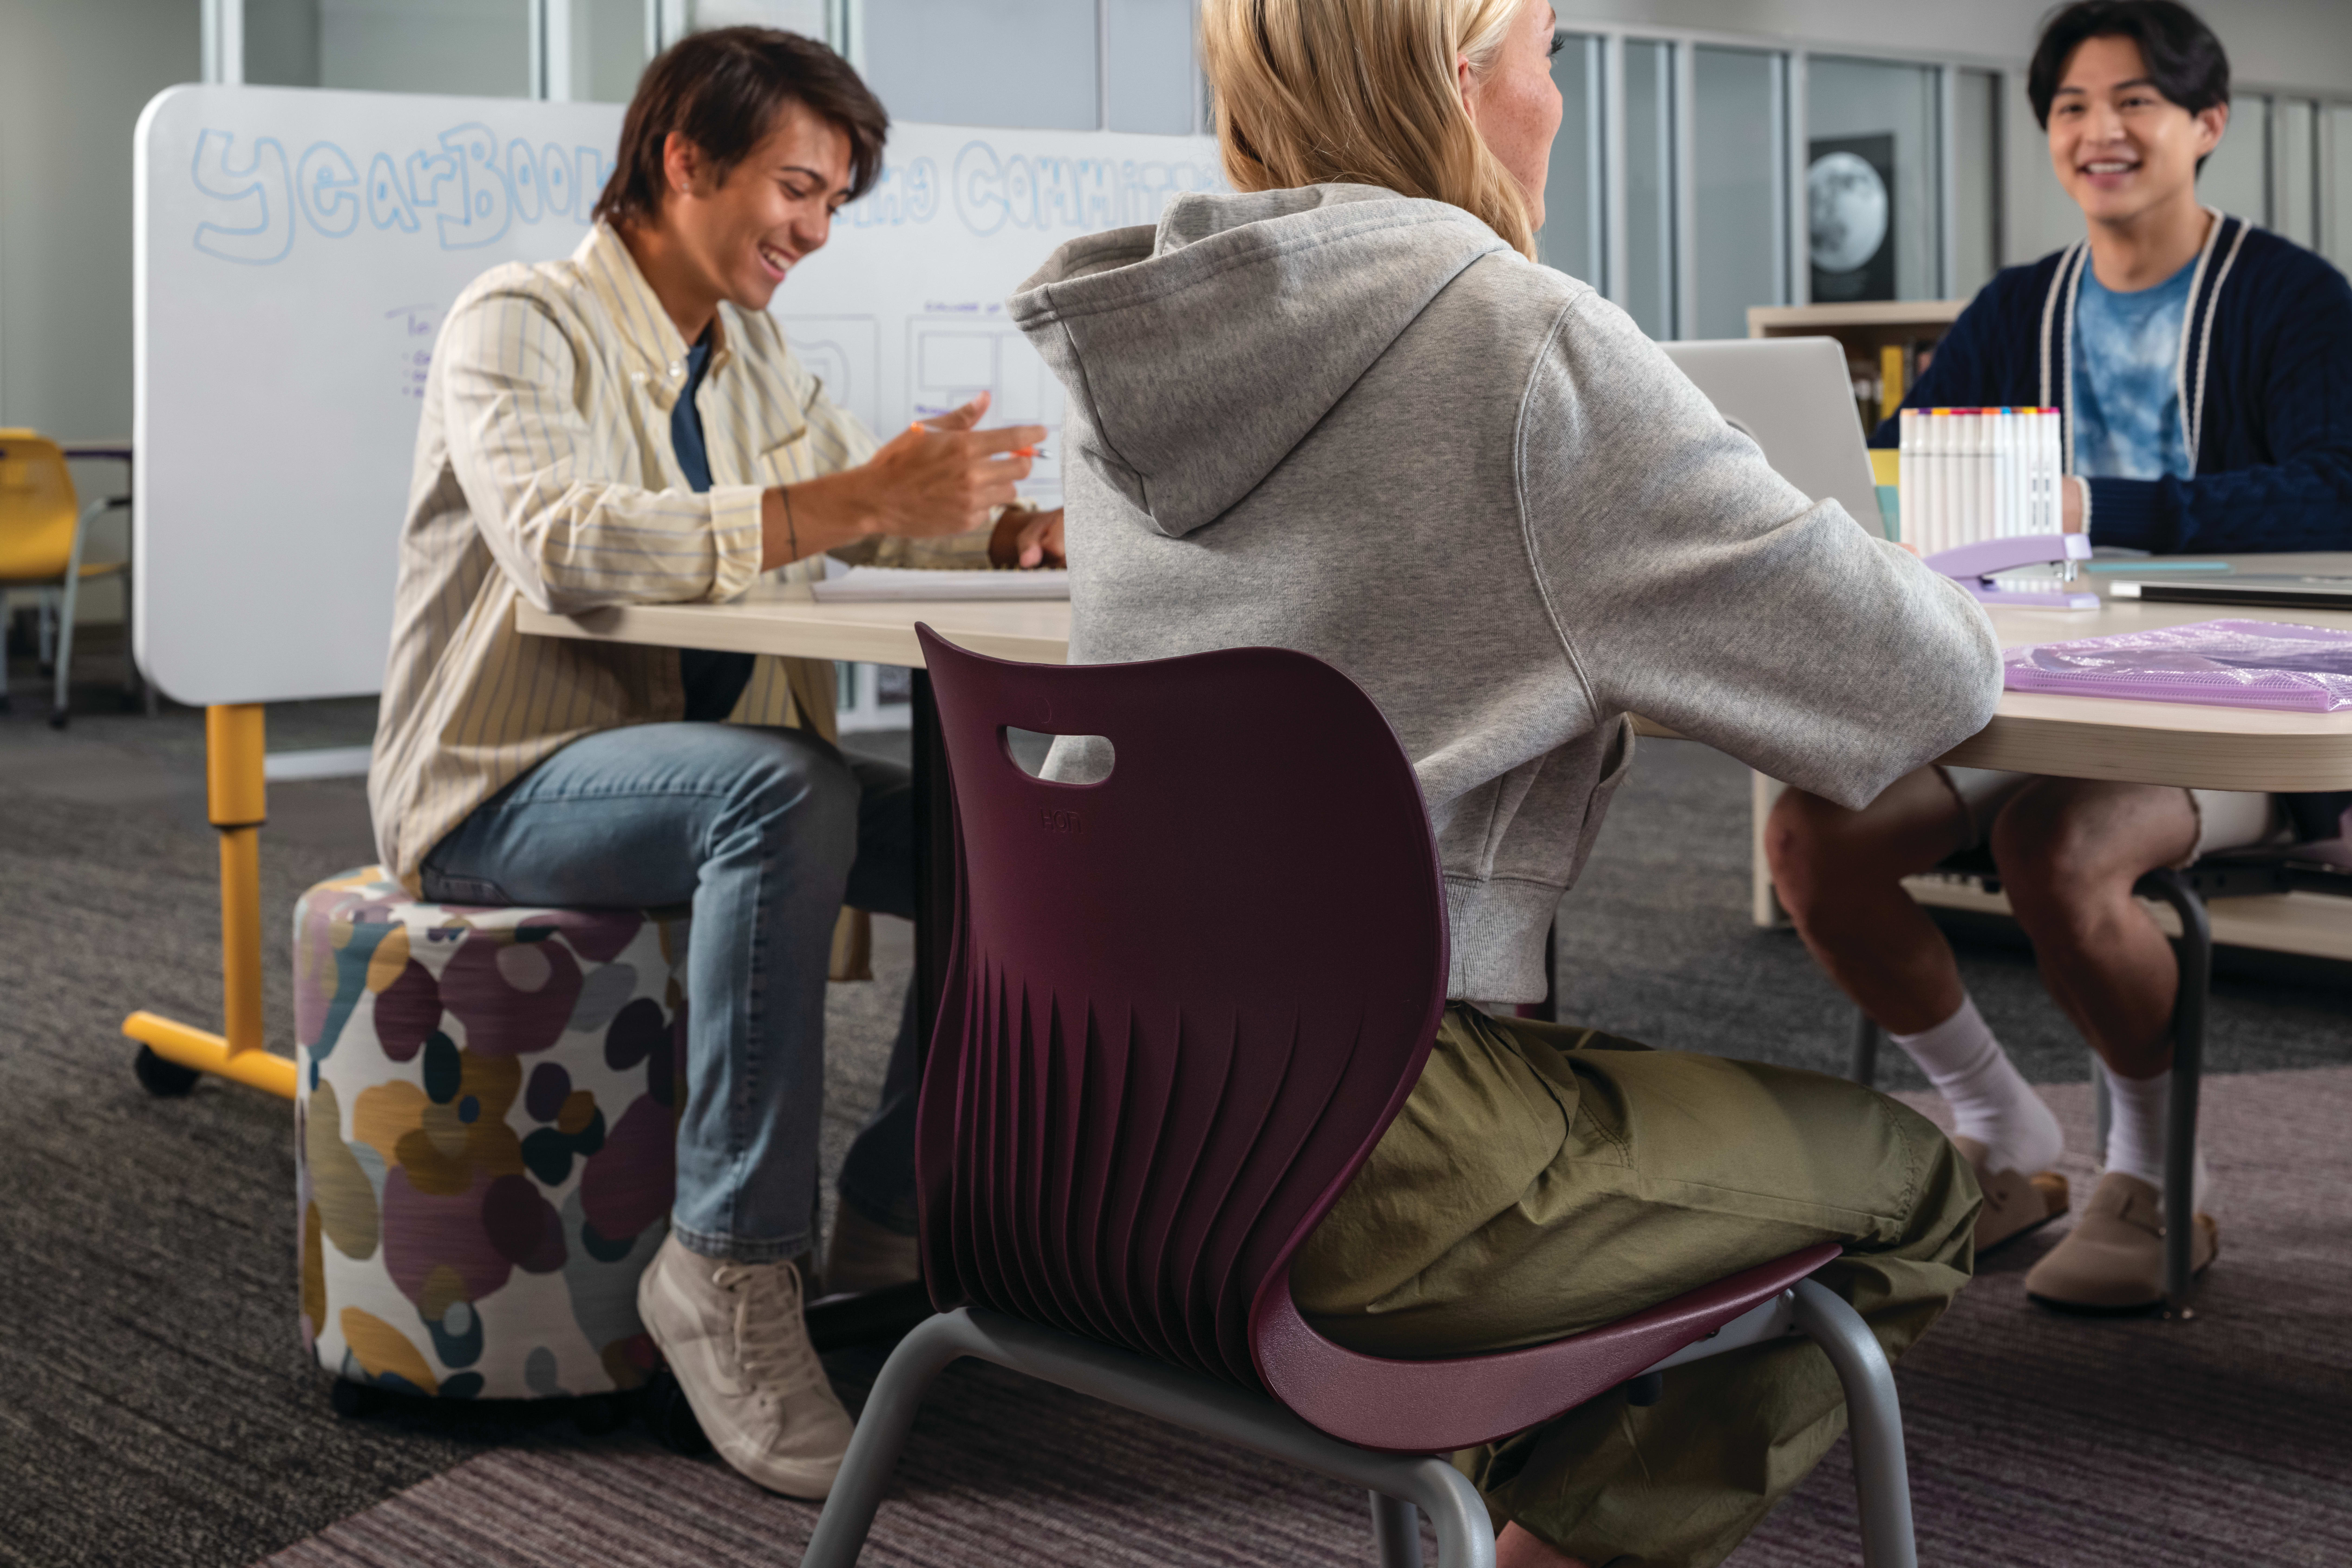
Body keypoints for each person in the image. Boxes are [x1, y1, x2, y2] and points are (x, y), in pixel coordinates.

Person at [1008, 2, 1998, 1564]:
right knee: (1919, 1185)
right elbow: (1929, 682)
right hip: (1357, 1162)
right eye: (1549, 54)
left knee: (1606, 1077)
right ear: (1463, 85)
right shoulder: (1522, 338)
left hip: (1068, 1122)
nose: (1558, 98)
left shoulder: (1136, 348)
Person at [367, 27, 1061, 1499]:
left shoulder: (749, 356)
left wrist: (999, 532)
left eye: (833, 202)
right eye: (798, 189)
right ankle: (732, 1269)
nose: (814, 229)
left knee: (993, 826)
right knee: (782, 789)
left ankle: (891, 1205)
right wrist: (840, 502)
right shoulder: (521, 320)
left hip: (683, 784)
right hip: (504, 780)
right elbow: (562, 543)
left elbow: (867, 507)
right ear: (684, 159)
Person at [1767, 0, 2352, 1313]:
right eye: (2073, 107)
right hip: (2021, 683)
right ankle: (2003, 1129)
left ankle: (2154, 1171)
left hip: (2236, 705)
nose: (2101, 131)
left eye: (2136, 101)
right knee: (1816, 836)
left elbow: (2338, 489)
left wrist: (2105, 506)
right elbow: (1907, 478)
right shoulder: (2018, 306)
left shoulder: (2294, 299)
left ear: (2206, 126)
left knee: (2058, 846)